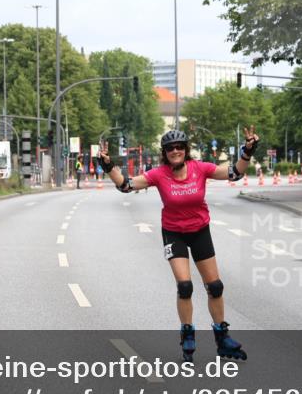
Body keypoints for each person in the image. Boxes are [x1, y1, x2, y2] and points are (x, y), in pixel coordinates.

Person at [99, 127, 260, 361]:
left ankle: (222, 337)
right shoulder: (158, 174)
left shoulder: (200, 169)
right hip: (174, 233)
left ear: (185, 150)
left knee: (215, 286)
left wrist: (247, 152)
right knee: (185, 286)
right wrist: (108, 167)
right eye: (170, 148)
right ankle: (187, 334)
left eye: (179, 147)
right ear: (165, 152)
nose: (175, 151)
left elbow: (234, 173)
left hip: (200, 231)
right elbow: (126, 186)